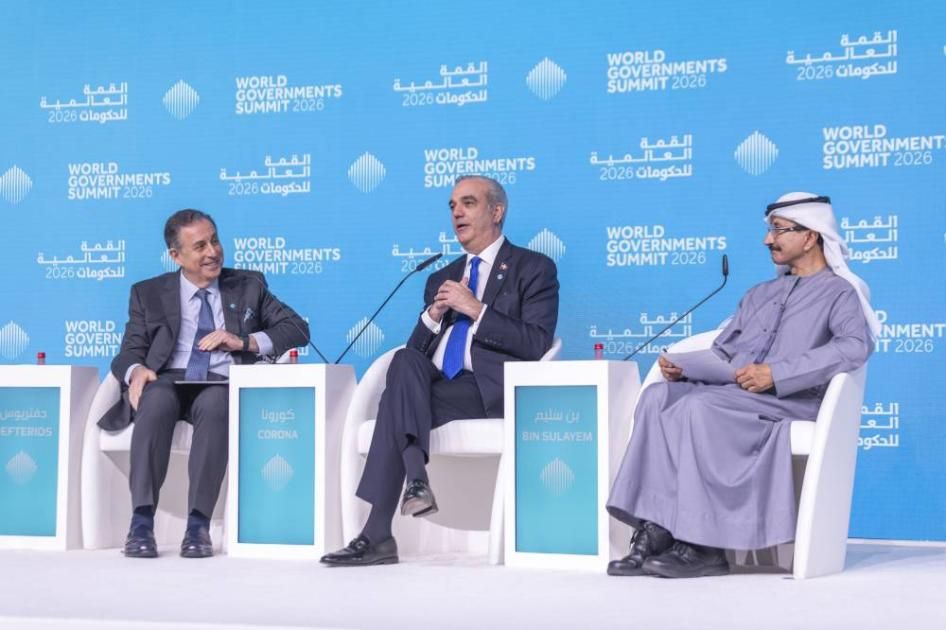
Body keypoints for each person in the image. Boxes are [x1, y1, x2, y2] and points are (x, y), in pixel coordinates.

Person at [606, 192, 878, 578]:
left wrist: (777, 373)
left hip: (790, 399)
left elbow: (854, 347)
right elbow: (726, 352)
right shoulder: (759, 294)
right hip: (736, 395)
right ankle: (657, 527)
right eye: (769, 231)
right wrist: (686, 369)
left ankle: (704, 546)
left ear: (811, 236)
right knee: (657, 395)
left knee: (699, 407)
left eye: (779, 230)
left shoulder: (840, 293)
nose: (768, 240)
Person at [321, 175, 559, 566]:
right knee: (404, 362)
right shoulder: (440, 278)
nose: (457, 213)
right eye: (452, 206)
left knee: (395, 403)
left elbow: (536, 343)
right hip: (434, 386)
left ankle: (380, 529)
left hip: (487, 389)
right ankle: (414, 483)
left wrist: (475, 309)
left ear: (497, 211)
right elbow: (415, 353)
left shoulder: (533, 268)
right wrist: (434, 314)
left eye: (468, 203)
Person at [100, 209, 309, 558]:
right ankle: (141, 523)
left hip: (220, 381)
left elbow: (298, 329)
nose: (213, 252)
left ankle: (198, 525)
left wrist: (243, 341)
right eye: (200, 246)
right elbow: (128, 352)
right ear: (176, 256)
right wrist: (136, 370)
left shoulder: (248, 285)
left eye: (215, 241)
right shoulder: (148, 293)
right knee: (155, 401)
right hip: (167, 378)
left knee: (216, 406)